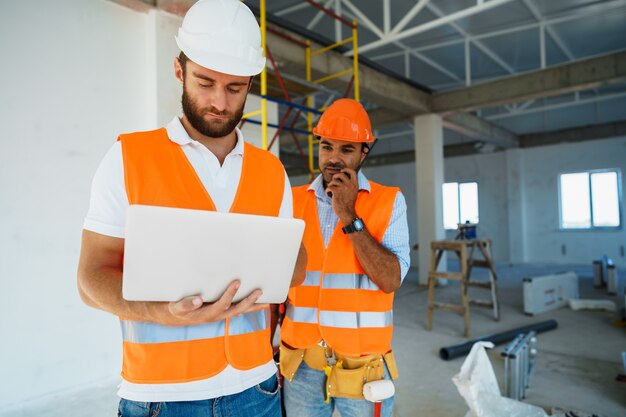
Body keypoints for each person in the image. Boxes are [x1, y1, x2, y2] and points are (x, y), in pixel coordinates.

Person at [77, 1, 306, 416]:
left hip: (257, 388)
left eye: (235, 88)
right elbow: (90, 277)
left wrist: (276, 265)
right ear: (180, 70)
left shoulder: (271, 171)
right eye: (205, 82)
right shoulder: (128, 157)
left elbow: (297, 264)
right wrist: (160, 313)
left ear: (251, 84)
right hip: (163, 396)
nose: (219, 101)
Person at [278, 98, 410, 417]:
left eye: (346, 149)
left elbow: (391, 279)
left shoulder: (388, 202)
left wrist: (349, 214)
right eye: (327, 147)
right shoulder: (290, 201)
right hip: (302, 361)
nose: (334, 159)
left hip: (364, 365)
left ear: (365, 151)